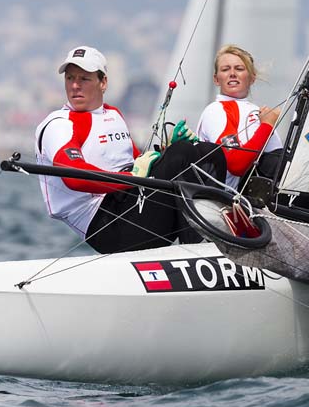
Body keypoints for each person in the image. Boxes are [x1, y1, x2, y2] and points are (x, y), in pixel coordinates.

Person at [35, 45, 226, 253]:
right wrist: (132, 176)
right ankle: (200, 251)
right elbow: (74, 177)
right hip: (106, 225)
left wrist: (164, 151)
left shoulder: (113, 114)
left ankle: (216, 232)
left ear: (103, 82)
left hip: (132, 204)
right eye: (70, 78)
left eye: (84, 79)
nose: (75, 86)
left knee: (208, 152)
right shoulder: (59, 124)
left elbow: (137, 162)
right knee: (182, 154)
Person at [196, 45, 283, 192]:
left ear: (252, 77)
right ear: (216, 79)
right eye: (225, 69)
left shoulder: (260, 112)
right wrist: (267, 126)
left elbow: (277, 164)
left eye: (239, 69)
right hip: (226, 199)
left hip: (260, 200)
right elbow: (236, 164)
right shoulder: (216, 110)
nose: (232, 74)